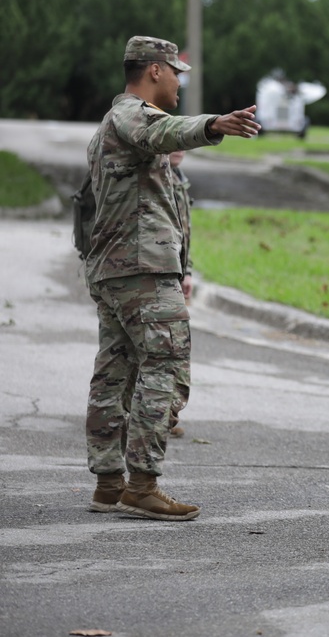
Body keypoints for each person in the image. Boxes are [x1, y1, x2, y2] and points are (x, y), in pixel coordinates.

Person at [85, 35, 259, 521]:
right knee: (167, 366)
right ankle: (141, 484)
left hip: (119, 268)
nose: (180, 82)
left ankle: (109, 483)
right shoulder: (131, 115)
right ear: (154, 71)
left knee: (115, 374)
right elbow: (164, 132)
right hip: (140, 269)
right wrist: (214, 124)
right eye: (175, 72)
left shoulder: (113, 124)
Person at [167, 150, 193, 439]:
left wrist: (188, 271)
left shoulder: (180, 180)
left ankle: (163, 416)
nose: (178, 148)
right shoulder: (153, 177)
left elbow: (184, 231)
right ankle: (156, 418)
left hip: (174, 273)